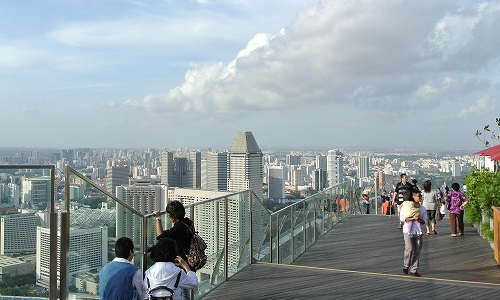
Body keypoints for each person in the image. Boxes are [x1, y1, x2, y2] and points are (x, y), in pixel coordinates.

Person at [400, 191, 426, 277]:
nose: (420, 198)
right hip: (408, 230)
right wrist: (412, 218)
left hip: (418, 231)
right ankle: (406, 265)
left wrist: (418, 219)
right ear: (413, 197)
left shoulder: (422, 209)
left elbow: (424, 221)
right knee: (409, 248)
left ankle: (414, 269)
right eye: (419, 196)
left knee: (417, 250)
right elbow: (403, 219)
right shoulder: (405, 207)